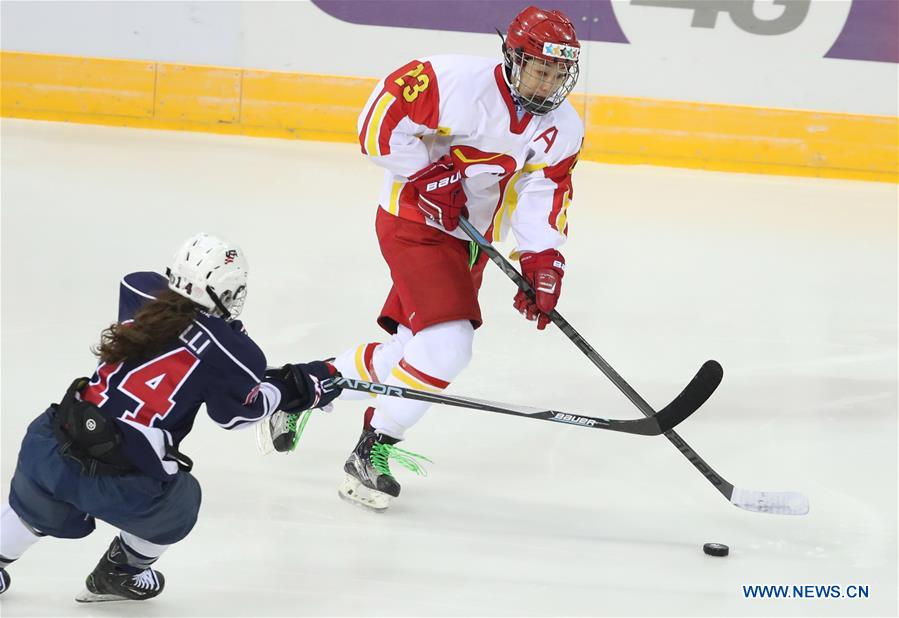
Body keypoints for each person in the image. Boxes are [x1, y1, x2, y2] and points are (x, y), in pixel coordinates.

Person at [276, 6, 584, 511]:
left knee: (410, 358)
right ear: (512, 57)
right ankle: (369, 453)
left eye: (557, 73)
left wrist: (543, 259)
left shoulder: (562, 126)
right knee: (447, 349)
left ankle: (298, 387)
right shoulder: (453, 80)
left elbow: (544, 189)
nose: (547, 83)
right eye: (538, 68)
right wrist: (421, 174)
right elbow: (378, 121)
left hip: (470, 240)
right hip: (413, 222)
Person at [0, 233, 341, 602]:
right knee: (180, 500)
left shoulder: (140, 291)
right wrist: (301, 388)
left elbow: (176, 334)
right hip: (121, 480)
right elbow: (239, 415)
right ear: (225, 291)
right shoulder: (234, 352)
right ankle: (120, 571)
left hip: (51, 444)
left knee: (36, 504)